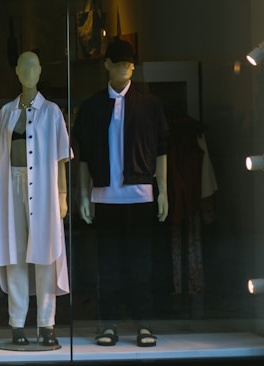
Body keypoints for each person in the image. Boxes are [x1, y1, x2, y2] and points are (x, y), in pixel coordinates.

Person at [72, 38, 169, 348]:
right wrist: (83, 193)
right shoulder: (91, 107)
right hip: (105, 194)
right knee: (108, 263)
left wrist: (162, 191)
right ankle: (109, 323)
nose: (124, 68)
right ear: (107, 65)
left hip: (140, 193)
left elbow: (162, 151)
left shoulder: (150, 104)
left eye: (129, 63)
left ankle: (144, 323)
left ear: (133, 67)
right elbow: (83, 154)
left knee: (141, 261)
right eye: (118, 63)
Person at [0, 51, 71, 348]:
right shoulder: (6, 112)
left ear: (40, 71)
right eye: (24, 67)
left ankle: (47, 324)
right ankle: (17, 324)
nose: (29, 71)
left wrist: (62, 194)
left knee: (45, 254)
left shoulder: (51, 112)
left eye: (34, 66)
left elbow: (61, 157)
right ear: (17, 72)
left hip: (45, 189)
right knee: (15, 254)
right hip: (12, 186)